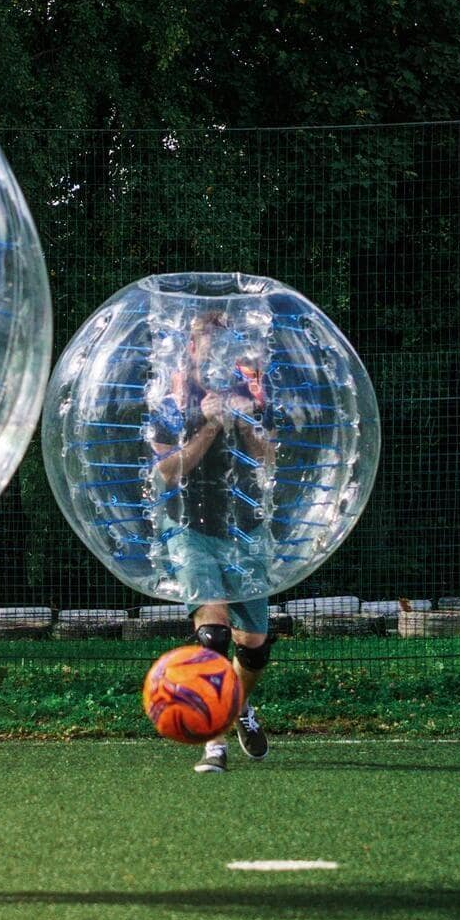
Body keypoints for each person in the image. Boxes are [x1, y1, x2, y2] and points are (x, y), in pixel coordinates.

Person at [144, 311, 278, 773]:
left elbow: (269, 459)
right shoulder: (172, 401)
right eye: (207, 343)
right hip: (190, 528)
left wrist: (241, 423)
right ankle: (213, 742)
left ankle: (236, 704)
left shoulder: (254, 395)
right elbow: (165, 473)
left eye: (223, 343)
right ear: (192, 348)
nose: (215, 351)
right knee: (214, 633)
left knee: (255, 646)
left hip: (244, 528)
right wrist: (207, 426)